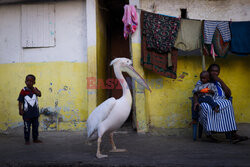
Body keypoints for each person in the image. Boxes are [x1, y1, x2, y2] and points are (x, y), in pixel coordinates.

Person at [193, 64, 248, 143]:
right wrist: (196, 102)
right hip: (207, 100)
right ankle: (209, 134)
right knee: (205, 107)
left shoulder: (218, 82)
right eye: (212, 71)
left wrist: (220, 80)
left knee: (228, 103)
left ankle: (233, 134)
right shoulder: (202, 81)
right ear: (209, 72)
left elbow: (229, 94)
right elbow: (195, 93)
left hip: (220, 101)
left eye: (216, 71)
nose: (214, 73)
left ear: (219, 73)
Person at [18, 74, 42, 145]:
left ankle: (35, 139)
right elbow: (20, 101)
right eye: (27, 81)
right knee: (27, 127)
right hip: (26, 114)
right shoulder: (23, 91)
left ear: (34, 83)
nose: (29, 83)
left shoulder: (35, 90)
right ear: (25, 82)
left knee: (35, 127)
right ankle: (27, 140)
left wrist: (33, 89)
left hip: (35, 113)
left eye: (31, 81)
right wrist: (20, 110)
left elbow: (39, 94)